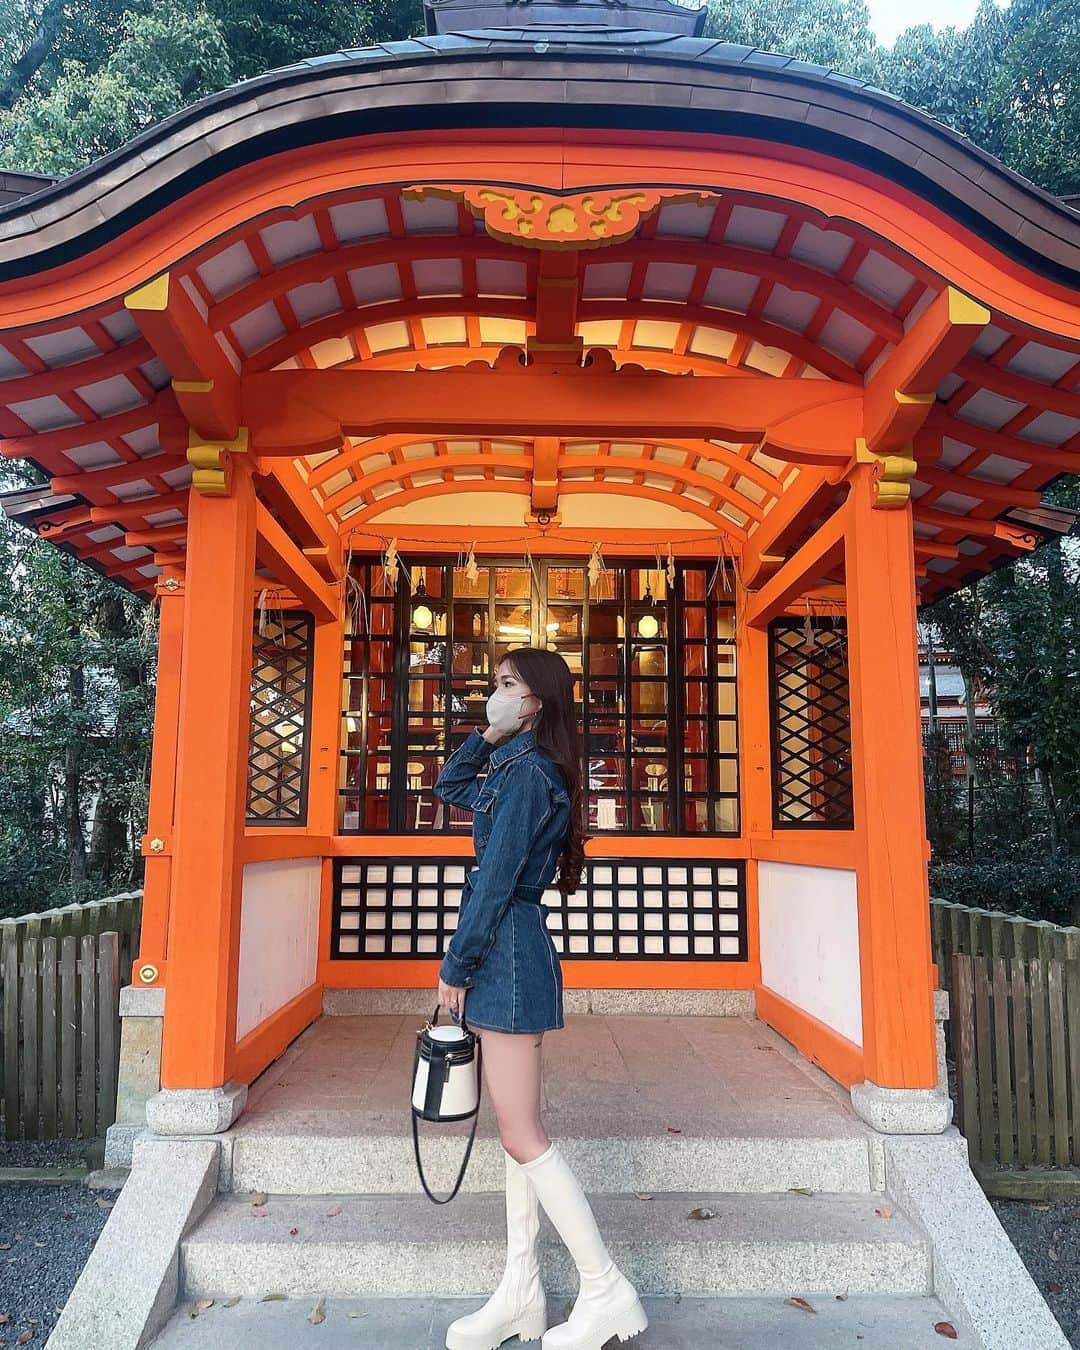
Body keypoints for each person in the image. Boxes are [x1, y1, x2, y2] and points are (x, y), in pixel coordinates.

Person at [434, 646, 648, 1350]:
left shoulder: (529, 777)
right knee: (515, 1135)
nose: (492, 693)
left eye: (505, 687)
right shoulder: (512, 764)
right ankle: (521, 1293)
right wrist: (487, 732)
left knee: (524, 1136)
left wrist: (457, 966)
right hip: (512, 951)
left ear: (539, 702)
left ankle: (606, 1288)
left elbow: (494, 881)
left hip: (508, 955)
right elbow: (448, 784)